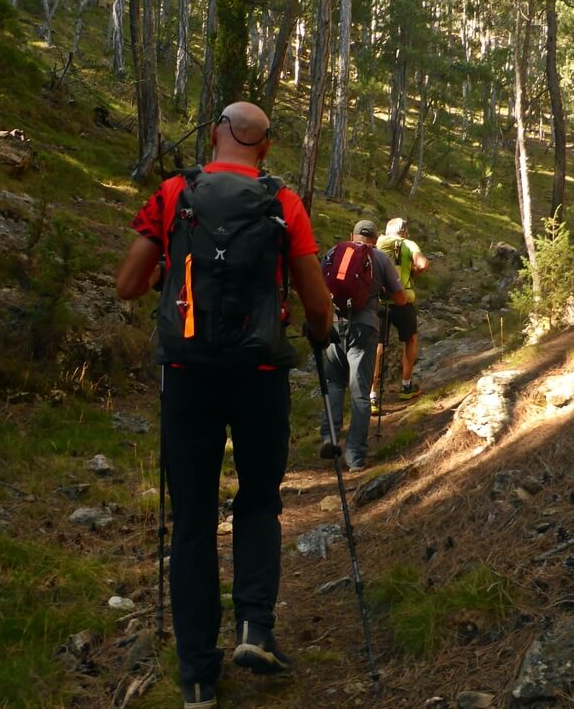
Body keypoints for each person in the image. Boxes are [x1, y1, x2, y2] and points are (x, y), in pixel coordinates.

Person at [115, 101, 333, 709]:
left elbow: (127, 285)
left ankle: (196, 676)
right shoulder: (283, 202)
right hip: (259, 374)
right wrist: (320, 338)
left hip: (187, 374)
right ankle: (255, 628)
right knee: (259, 500)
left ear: (214, 135)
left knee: (192, 519)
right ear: (265, 147)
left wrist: (166, 273)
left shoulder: (172, 194)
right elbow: (316, 303)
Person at [320, 220, 407, 471]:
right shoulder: (380, 258)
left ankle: (329, 437)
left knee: (334, 382)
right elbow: (401, 298)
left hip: (335, 325)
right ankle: (355, 456)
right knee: (360, 391)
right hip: (365, 327)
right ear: (376, 239)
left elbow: (319, 285)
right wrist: (383, 292)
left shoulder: (334, 252)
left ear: (352, 235)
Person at [370, 217, 430, 414]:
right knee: (410, 339)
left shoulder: (378, 242)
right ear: (403, 232)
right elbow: (422, 264)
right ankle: (406, 386)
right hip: (402, 300)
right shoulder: (408, 244)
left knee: (377, 345)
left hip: (378, 301)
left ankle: (372, 395)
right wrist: (413, 272)